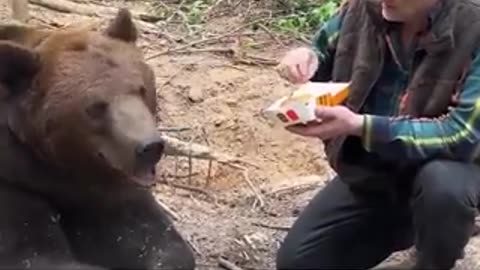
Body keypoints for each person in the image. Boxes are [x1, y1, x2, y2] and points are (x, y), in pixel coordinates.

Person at [275, 0, 480, 269]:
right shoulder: (361, 10)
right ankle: (408, 225)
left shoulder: (474, 28)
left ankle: (434, 257)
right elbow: (322, 51)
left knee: (443, 187)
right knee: (298, 263)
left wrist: (359, 126)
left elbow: (461, 135)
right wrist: (305, 58)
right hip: (376, 172)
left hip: (453, 170)